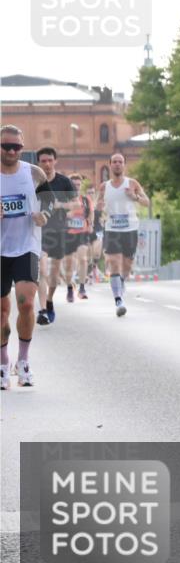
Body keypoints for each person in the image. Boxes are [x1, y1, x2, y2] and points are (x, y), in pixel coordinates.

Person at [1, 125, 50, 389]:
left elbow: (50, 202)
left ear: (22, 147)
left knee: (26, 304)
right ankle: (2, 361)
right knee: (2, 311)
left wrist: (45, 216)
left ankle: (23, 361)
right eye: (6, 146)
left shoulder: (33, 173)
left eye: (16, 147)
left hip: (27, 246)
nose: (11, 151)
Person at [97, 153, 150, 316]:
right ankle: (118, 300)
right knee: (114, 262)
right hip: (112, 228)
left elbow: (147, 202)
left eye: (120, 162)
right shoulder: (104, 186)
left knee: (127, 265)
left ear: (124, 165)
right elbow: (98, 205)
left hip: (130, 229)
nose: (117, 165)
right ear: (110, 165)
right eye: (114, 162)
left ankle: (121, 281)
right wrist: (98, 209)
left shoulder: (132, 183)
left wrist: (134, 196)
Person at [34, 147, 77, 325]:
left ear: (55, 161)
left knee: (53, 274)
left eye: (50, 160)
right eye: (43, 161)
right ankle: (43, 310)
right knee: (41, 270)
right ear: (38, 163)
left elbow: (75, 203)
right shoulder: (34, 182)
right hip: (39, 230)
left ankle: (50, 300)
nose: (47, 164)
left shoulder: (64, 182)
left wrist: (59, 205)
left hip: (59, 231)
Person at [64, 173, 94, 300]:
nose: (76, 187)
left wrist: (91, 224)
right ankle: (70, 289)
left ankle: (82, 288)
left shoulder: (86, 200)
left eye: (78, 184)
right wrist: (67, 215)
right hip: (67, 234)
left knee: (83, 259)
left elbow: (91, 213)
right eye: (73, 185)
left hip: (82, 233)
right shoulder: (64, 200)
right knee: (69, 264)